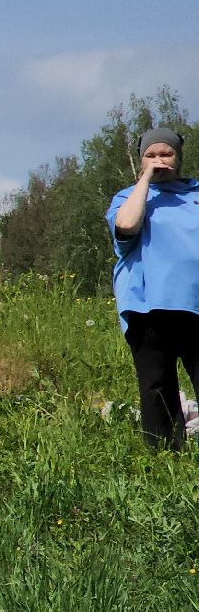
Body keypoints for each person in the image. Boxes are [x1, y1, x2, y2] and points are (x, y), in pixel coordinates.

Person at [106, 127, 199, 450]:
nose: (159, 160)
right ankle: (164, 458)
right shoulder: (127, 197)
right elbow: (127, 226)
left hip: (195, 304)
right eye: (151, 155)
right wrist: (144, 181)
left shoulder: (195, 194)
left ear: (179, 157)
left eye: (166, 154)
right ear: (140, 159)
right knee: (157, 384)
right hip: (149, 306)